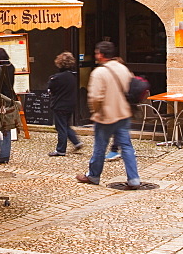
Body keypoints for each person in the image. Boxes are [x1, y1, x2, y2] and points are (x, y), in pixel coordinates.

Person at [76, 41, 141, 189]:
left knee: (100, 147)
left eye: (96, 52)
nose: (95, 55)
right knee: (126, 147)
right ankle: (134, 179)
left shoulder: (99, 72)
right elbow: (131, 87)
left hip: (106, 116)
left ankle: (93, 175)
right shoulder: (123, 68)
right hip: (123, 113)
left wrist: (96, 111)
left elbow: (95, 97)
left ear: (101, 54)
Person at [46, 52, 84, 156]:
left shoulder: (56, 78)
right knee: (66, 125)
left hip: (60, 105)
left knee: (61, 127)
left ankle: (61, 149)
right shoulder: (73, 76)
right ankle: (76, 142)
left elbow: (50, 90)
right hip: (71, 104)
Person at [0, 47, 16, 164]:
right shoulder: (11, 67)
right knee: (6, 126)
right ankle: (4, 152)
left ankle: (3, 151)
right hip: (9, 98)